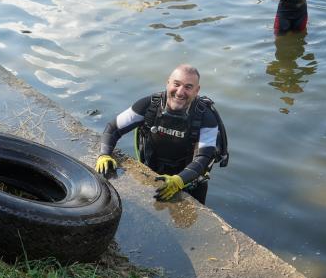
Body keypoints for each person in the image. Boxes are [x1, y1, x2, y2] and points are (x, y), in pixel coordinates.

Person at [95, 64, 228, 205]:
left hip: (190, 182)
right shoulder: (149, 106)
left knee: (189, 223)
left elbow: (204, 157)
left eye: (188, 87)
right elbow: (113, 128)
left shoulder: (206, 117)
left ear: (197, 90)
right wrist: (104, 154)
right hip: (152, 175)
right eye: (176, 84)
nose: (180, 92)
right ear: (168, 82)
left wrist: (179, 180)